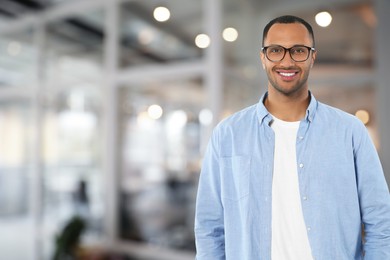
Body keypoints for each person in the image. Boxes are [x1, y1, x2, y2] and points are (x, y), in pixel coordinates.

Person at [194, 15, 390, 260]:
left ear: (312, 57)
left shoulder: (350, 131)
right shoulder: (228, 134)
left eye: (298, 50)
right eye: (276, 50)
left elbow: (381, 223)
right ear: (263, 57)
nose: (287, 61)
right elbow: (210, 229)